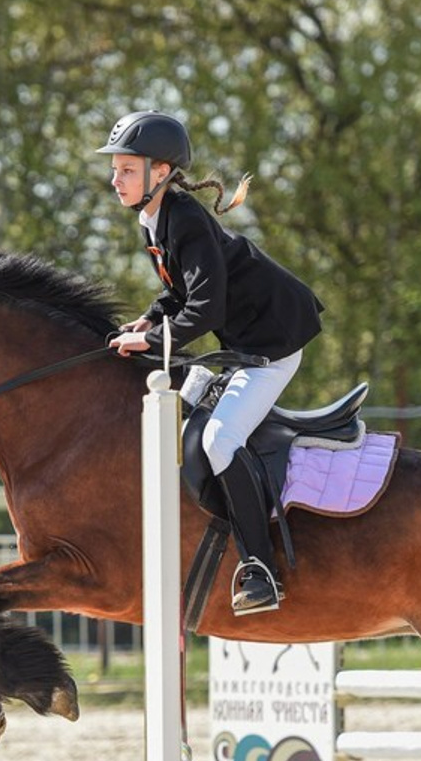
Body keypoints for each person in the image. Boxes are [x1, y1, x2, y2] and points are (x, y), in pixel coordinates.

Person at [99, 109, 324, 614]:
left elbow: (206, 308)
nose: (115, 180)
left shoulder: (186, 218)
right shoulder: (153, 217)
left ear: (161, 172)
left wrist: (154, 339)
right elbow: (177, 289)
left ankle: (261, 571)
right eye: (115, 169)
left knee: (220, 440)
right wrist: (147, 318)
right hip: (246, 345)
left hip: (274, 344)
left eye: (127, 170)